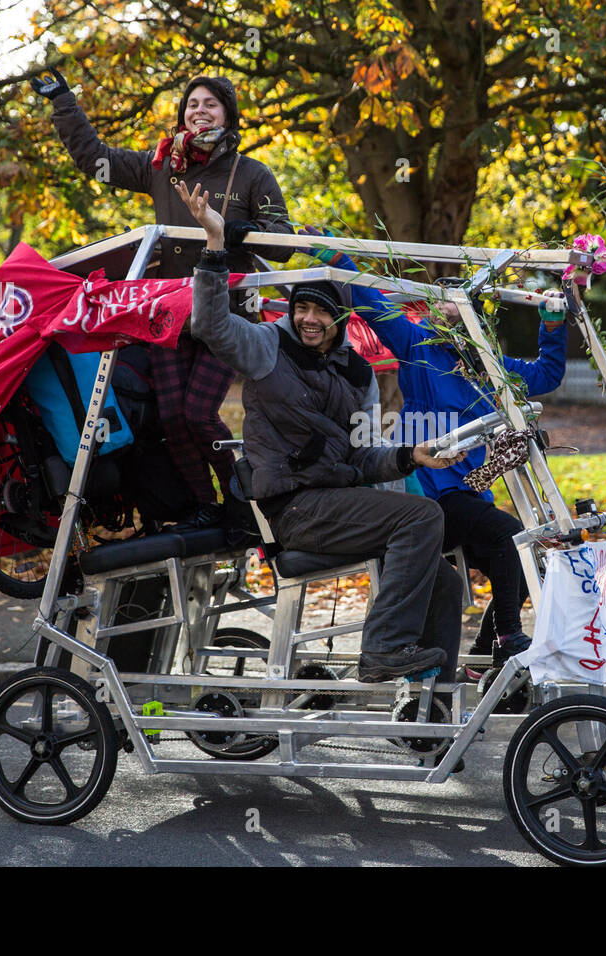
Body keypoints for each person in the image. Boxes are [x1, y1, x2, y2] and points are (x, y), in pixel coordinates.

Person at [180, 180, 464, 682]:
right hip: (292, 507)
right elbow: (211, 325)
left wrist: (410, 457)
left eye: (322, 311)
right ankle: (382, 651)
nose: (309, 319)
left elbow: (362, 458)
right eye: (302, 308)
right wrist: (214, 246)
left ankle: (433, 703)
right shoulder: (268, 345)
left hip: (334, 504)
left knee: (440, 574)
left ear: (341, 317)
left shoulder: (357, 373)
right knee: (421, 518)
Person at [30, 67, 294, 527]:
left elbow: (285, 243)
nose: (199, 111)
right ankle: (203, 509)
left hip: (227, 315)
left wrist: (233, 230)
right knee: (172, 417)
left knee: (197, 413)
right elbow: (96, 160)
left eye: (210, 103)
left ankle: (241, 502)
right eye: (192, 104)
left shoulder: (251, 175)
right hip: (170, 316)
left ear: (228, 115)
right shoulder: (162, 167)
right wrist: (63, 102)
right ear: (182, 116)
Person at [322, 253, 567, 671]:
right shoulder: (417, 344)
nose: (449, 308)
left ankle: (483, 658)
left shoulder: (485, 365)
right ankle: (509, 636)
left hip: (466, 494)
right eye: (442, 300)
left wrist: (553, 324)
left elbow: (546, 375)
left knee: (527, 558)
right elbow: (372, 305)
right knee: (511, 537)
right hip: (428, 496)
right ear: (430, 306)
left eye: (460, 301)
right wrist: (336, 256)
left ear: (474, 314)